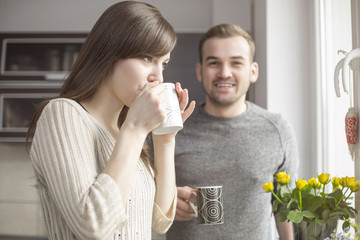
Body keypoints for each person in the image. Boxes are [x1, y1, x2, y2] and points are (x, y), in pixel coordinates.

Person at [26, 1, 195, 240]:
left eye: (163, 64)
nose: (158, 77)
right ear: (109, 55)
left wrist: (164, 139)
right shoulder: (62, 114)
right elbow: (93, 226)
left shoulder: (124, 132)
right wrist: (135, 129)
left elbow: (160, 222)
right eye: (147, 58)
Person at [166, 24, 299, 240]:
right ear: (200, 71)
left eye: (236, 63)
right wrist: (164, 201)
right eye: (214, 63)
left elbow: (285, 207)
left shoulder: (278, 129)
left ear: (253, 71)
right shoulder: (173, 129)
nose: (224, 73)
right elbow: (142, 194)